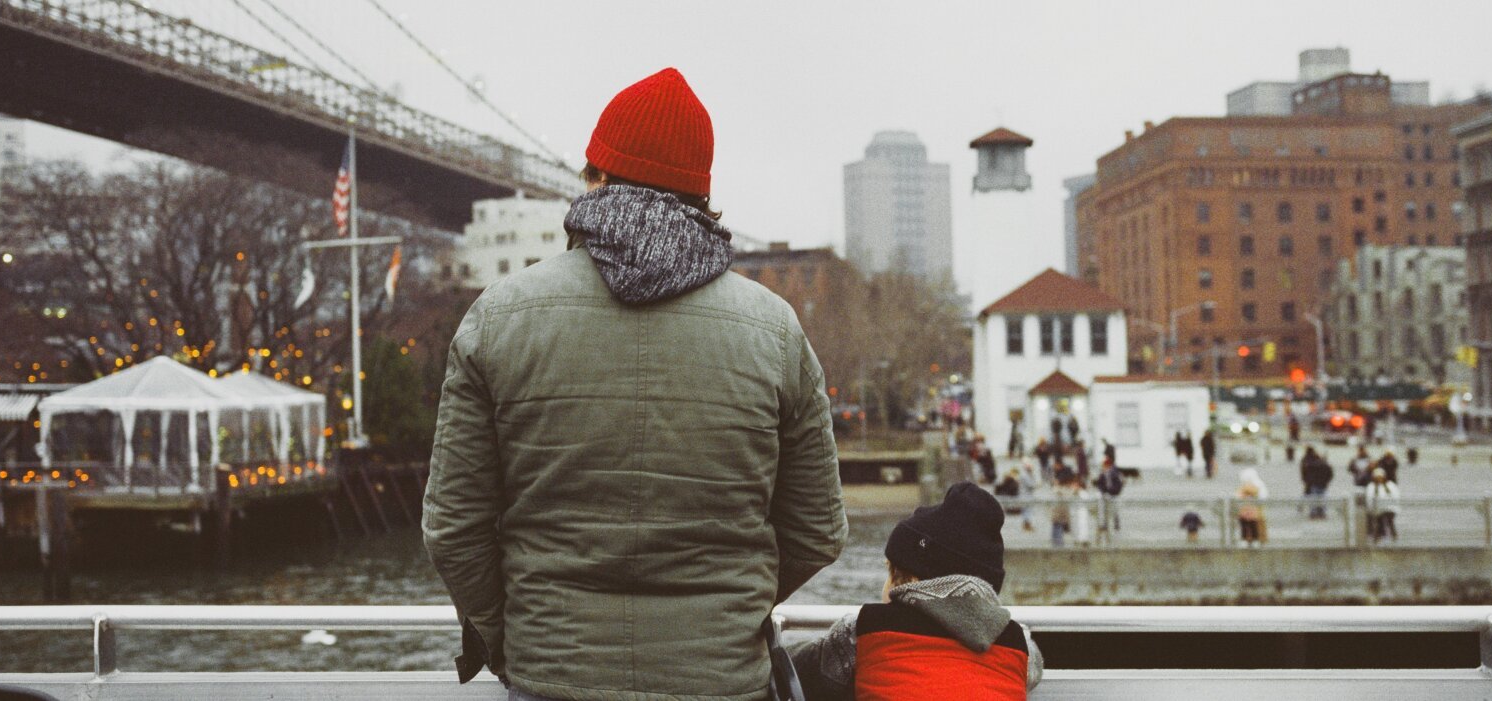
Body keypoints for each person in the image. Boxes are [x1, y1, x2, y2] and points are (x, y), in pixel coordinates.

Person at [423, 68, 847, 700]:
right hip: (721, 682)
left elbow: (453, 527)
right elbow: (818, 530)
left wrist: (514, 640)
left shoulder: (498, 317)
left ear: (596, 177)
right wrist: (726, 612)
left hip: (552, 678)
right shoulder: (776, 331)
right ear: (701, 195)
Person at [789, 483, 1042, 700]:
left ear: (905, 581)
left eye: (889, 572)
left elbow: (798, 671)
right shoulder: (1019, 646)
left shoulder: (864, 630)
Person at [1235, 467, 1270, 548]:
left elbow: (1238, 496)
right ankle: (1254, 539)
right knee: (1251, 525)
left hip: (1251, 510)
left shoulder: (1255, 485)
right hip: (1250, 510)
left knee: (1252, 525)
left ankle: (1253, 539)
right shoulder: (1258, 485)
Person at [1366, 467, 1400, 544]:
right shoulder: (1372, 486)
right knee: (1379, 521)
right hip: (1377, 509)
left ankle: (1393, 536)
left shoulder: (1390, 485)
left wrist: (1390, 505)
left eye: (1380, 477)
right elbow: (1369, 498)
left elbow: (1396, 496)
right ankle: (1377, 538)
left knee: (1389, 520)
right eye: (1377, 477)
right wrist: (1371, 509)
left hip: (1390, 508)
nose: (1379, 479)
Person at [1300, 446, 1335, 520]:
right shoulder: (1325, 464)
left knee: (1314, 498)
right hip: (1322, 485)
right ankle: (1321, 512)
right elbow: (1330, 474)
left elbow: (1305, 472)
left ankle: (1313, 512)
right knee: (1321, 498)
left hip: (1314, 484)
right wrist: (1326, 482)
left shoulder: (1310, 463)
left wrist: (1308, 481)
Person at [1093, 458, 1126, 534]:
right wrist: (1103, 491)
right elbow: (1099, 484)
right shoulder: (1102, 474)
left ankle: (1116, 526)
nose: (1103, 467)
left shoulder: (1115, 474)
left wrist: (1112, 492)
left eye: (1104, 466)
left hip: (1114, 494)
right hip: (1105, 495)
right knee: (1104, 509)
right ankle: (1104, 524)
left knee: (1115, 510)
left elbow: (1119, 485)